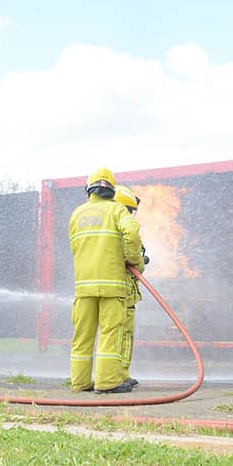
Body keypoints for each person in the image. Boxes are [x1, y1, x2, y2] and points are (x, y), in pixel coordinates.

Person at [68, 167, 143, 394]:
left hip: (83, 287)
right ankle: (107, 382)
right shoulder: (116, 210)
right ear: (111, 189)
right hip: (112, 285)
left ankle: (80, 383)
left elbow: (75, 247)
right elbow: (132, 232)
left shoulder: (77, 214)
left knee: (82, 337)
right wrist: (134, 260)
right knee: (111, 333)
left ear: (89, 189)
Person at [113, 184, 148, 388]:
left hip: (124, 291)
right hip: (121, 290)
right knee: (119, 336)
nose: (131, 215)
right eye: (129, 210)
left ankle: (122, 375)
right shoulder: (121, 228)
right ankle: (115, 377)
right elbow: (134, 259)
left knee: (124, 336)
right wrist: (141, 262)